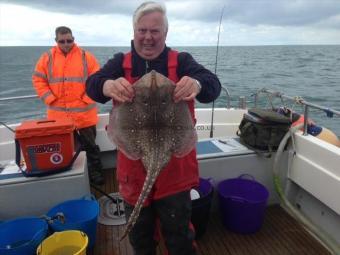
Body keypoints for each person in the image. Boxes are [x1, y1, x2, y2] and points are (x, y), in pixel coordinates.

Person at [86, 1, 221, 254]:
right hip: (133, 170)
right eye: (142, 30)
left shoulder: (181, 61)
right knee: (141, 239)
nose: (148, 37)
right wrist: (107, 86)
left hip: (175, 170)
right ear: (134, 31)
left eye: (155, 31)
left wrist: (197, 84)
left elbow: (212, 85)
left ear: (165, 34)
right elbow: (92, 84)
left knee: (179, 237)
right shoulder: (120, 63)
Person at [32, 26, 104, 185]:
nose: (66, 44)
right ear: (55, 41)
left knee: (91, 148)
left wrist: (87, 98)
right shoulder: (47, 58)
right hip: (60, 117)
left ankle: (96, 176)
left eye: (69, 40)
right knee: (67, 151)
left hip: (85, 114)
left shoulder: (87, 57)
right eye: (62, 41)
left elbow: (97, 80)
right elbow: (38, 80)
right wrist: (49, 98)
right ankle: (73, 180)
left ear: (74, 39)